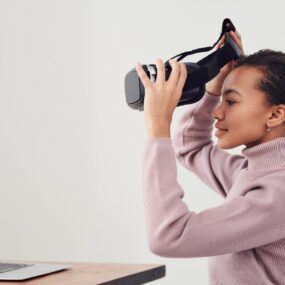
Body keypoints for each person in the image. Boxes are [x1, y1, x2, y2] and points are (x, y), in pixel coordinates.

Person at [135, 30, 285, 285]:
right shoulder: (251, 173)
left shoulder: (275, 193)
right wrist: (213, 89)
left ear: (275, 115)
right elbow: (189, 145)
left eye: (231, 101)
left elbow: (169, 236)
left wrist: (158, 125)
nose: (217, 112)